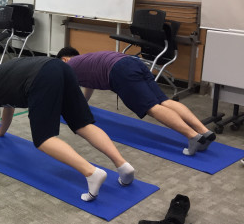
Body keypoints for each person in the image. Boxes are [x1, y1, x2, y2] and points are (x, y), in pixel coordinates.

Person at [0, 57, 135, 202]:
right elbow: (9, 106)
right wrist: (1, 131)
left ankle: (91, 172)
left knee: (43, 139)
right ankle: (123, 166)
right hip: (59, 67)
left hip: (42, 77)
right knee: (83, 124)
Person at [56, 47, 216, 156]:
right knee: (164, 101)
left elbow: (64, 90)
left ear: (64, 59)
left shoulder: (69, 66)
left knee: (151, 107)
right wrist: (84, 103)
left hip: (119, 71)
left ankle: (192, 136)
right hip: (133, 62)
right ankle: (203, 131)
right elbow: (89, 86)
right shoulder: (87, 61)